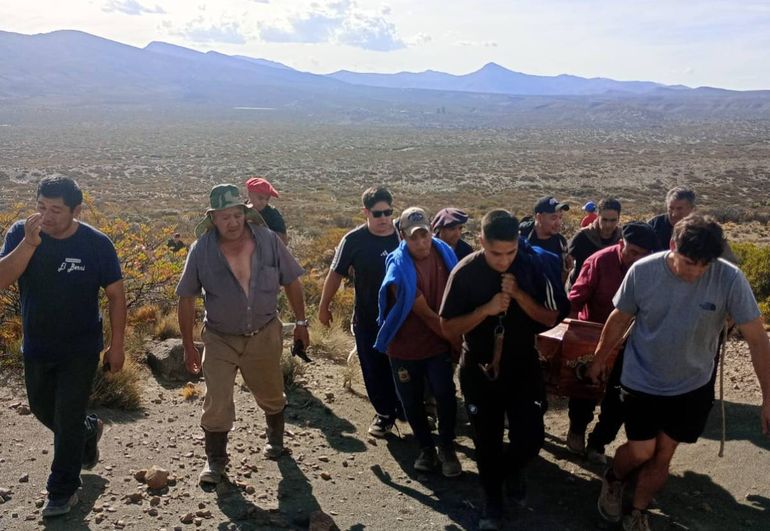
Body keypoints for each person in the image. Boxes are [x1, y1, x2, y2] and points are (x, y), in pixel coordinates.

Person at [587, 215, 770, 531]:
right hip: (642, 378)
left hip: (692, 384)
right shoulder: (644, 272)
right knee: (642, 449)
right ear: (672, 246)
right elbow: (619, 318)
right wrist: (599, 358)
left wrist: (768, 397)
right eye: (689, 262)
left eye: (704, 265)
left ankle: (638, 510)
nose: (696, 272)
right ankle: (615, 478)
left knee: (663, 454)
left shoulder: (729, 278)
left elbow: (757, 339)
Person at [0, 176, 126, 517]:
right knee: (45, 411)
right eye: (42, 207)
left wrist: (117, 346)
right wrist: (29, 244)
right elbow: (2, 279)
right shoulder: (20, 234)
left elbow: (116, 295)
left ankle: (62, 490)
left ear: (76, 210)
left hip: (81, 349)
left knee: (66, 417)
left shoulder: (95, 244)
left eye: (56, 210)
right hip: (38, 346)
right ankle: (89, 429)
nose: (47, 216)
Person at [440, 210, 569, 530]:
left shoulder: (531, 264)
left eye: (510, 252)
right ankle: (492, 503)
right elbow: (448, 328)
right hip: (479, 369)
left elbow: (549, 318)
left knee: (530, 438)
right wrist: (486, 309)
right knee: (487, 441)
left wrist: (519, 296)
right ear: (481, 241)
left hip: (523, 365)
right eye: (495, 253)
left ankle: (510, 470)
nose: (503, 260)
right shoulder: (465, 272)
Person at [176, 184, 309, 485]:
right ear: (213, 219)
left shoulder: (268, 240)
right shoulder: (202, 250)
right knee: (217, 399)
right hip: (220, 336)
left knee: (271, 392)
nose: (232, 222)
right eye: (225, 217)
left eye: (237, 215)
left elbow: (292, 281)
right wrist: (188, 345)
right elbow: (186, 298)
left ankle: (275, 439)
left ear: (245, 213)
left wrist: (301, 323)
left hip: (263, 331)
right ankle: (216, 461)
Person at [374, 207, 462, 477]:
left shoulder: (445, 253)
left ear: (432, 231)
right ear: (403, 236)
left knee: (445, 394)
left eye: (424, 235)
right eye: (414, 238)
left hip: (437, 344)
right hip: (406, 346)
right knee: (411, 401)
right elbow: (424, 314)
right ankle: (426, 449)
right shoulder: (398, 266)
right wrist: (458, 342)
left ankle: (447, 448)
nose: (421, 243)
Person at [565, 222, 658, 464]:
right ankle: (577, 429)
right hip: (593, 333)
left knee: (619, 396)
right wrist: (576, 337)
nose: (636, 259)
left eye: (643, 255)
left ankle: (598, 442)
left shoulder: (651, 269)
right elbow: (575, 300)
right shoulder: (598, 261)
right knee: (585, 386)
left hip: (630, 340)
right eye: (632, 252)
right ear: (620, 244)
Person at [318, 186, 404, 437]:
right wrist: (324, 306)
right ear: (365, 212)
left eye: (388, 212)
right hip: (367, 317)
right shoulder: (353, 240)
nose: (384, 218)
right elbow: (335, 274)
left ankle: (410, 409)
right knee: (373, 367)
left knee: (404, 366)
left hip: (402, 317)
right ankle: (384, 414)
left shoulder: (403, 236)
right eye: (377, 214)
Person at [567, 198, 622, 289]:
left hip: (609, 293)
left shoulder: (622, 239)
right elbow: (566, 265)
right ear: (598, 216)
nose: (608, 225)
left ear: (619, 218)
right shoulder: (582, 236)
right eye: (604, 220)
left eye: (613, 220)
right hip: (580, 290)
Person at [520, 196, 572, 282]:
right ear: (539, 218)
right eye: (553, 218)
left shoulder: (560, 243)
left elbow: (562, 275)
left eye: (560, 217)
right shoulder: (522, 234)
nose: (559, 223)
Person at [647, 186, 695, 252]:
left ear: (691, 209)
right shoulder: (653, 226)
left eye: (679, 209)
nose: (674, 214)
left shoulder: (699, 231)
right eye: (671, 208)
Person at [246, 176, 288, 244]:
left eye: (267, 199)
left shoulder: (272, 214)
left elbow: (283, 240)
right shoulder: (241, 210)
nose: (264, 202)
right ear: (250, 195)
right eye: (260, 198)